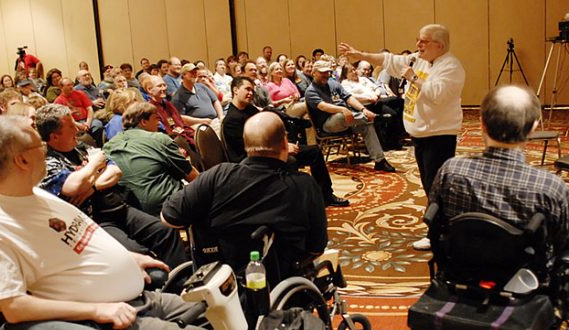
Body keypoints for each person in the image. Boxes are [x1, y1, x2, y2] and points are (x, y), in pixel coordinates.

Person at [0, 115, 220, 330]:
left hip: (135, 299)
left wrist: (126, 258)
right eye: (40, 148)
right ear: (22, 160)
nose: (45, 152)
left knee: (215, 312)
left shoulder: (34, 194)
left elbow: (79, 242)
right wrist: (97, 310)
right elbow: (14, 307)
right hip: (98, 324)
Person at [161, 111, 329, 284]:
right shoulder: (304, 186)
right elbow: (316, 248)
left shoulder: (217, 176)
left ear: (246, 145)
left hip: (220, 281)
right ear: (285, 143)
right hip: (281, 280)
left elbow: (168, 217)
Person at [339, 24, 465, 249]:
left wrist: (413, 77)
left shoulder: (451, 67)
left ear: (440, 45)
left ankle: (439, 234)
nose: (418, 45)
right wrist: (361, 55)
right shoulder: (420, 59)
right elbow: (389, 60)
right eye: (417, 40)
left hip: (439, 136)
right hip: (422, 134)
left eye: (423, 41)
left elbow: (437, 95)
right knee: (430, 185)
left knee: (436, 186)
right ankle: (440, 229)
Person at [429, 85, 569, 258]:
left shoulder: (451, 170)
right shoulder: (551, 188)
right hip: (525, 279)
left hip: (459, 270)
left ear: (482, 124)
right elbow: (567, 246)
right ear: (532, 128)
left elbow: (436, 222)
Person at [35, 104, 187, 269]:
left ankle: (184, 283)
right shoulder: (47, 162)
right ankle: (160, 288)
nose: (77, 129)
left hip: (119, 208)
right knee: (141, 255)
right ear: (54, 137)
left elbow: (115, 171)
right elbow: (74, 186)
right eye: (71, 126)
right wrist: (95, 165)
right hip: (94, 222)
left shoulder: (80, 147)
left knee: (165, 232)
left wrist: (93, 187)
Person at [223, 77, 348, 207]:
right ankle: (291, 204)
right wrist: (282, 148)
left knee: (314, 152)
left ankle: (326, 195)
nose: (250, 93)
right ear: (235, 90)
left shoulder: (248, 109)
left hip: (267, 151)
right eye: (247, 89)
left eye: (252, 90)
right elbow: (250, 149)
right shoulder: (232, 119)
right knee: (290, 160)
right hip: (251, 161)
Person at [103, 102, 198, 216]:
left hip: (134, 213)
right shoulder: (159, 139)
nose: (159, 124)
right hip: (169, 207)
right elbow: (191, 176)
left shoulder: (108, 145)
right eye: (156, 119)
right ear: (143, 122)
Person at [305, 60, 395, 172]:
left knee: (367, 125)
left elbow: (349, 98)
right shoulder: (310, 91)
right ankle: (377, 118)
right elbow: (323, 107)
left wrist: (363, 109)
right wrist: (343, 109)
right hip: (328, 125)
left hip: (349, 119)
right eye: (322, 72)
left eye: (327, 72)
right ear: (314, 73)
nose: (326, 75)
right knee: (340, 116)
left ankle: (380, 161)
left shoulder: (333, 83)